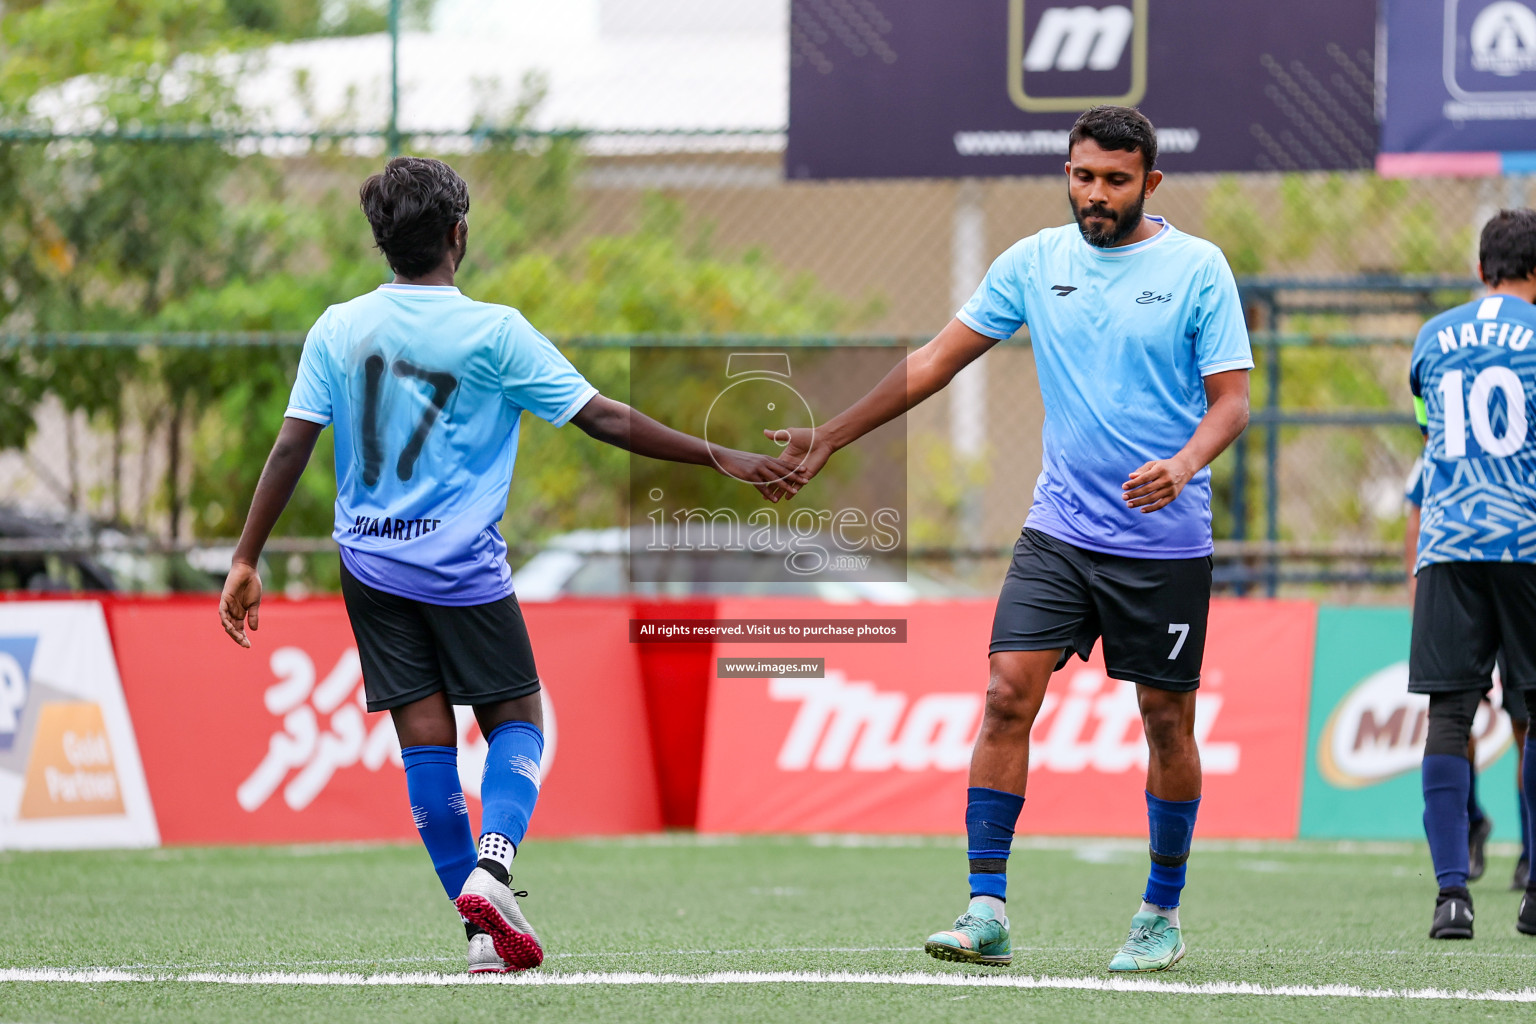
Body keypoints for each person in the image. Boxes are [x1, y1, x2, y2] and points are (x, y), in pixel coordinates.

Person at [216, 156, 802, 973]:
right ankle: (494, 870)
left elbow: (291, 444)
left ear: (381, 241)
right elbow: (601, 417)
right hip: (461, 570)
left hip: (370, 566)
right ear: (459, 235)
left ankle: (483, 941)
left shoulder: (337, 327)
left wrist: (247, 556)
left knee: (424, 738)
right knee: (517, 720)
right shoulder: (495, 331)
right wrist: (724, 457)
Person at [772, 106, 1251, 972]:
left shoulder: (1197, 269)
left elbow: (1232, 402)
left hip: (1162, 540)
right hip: (1059, 530)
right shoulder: (1034, 262)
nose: (1094, 194)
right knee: (1003, 696)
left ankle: (1160, 911)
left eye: (1113, 179)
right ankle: (984, 909)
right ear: (1065, 173)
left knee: (1166, 721)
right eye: (1081, 175)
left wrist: (1182, 466)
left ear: (1150, 181)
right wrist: (832, 435)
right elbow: (935, 359)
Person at [1407, 208, 1536, 940]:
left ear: (1481, 268)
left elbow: (1431, 434)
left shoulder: (1434, 335)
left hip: (1450, 541)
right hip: (1528, 540)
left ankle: (1452, 895)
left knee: (1449, 716)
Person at [1405, 458, 1529, 890]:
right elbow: (1416, 505)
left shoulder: (1440, 395)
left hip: (1478, 561)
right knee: (1458, 712)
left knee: (1520, 719)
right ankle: (1471, 823)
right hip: (1503, 559)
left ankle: (1525, 854)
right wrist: (1414, 585)